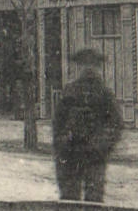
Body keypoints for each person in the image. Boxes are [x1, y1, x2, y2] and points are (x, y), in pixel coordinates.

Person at [52, 48, 122, 202]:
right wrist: (63, 143)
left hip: (95, 155)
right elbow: (58, 123)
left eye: (93, 64)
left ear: (98, 68)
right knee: (70, 200)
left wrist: (102, 144)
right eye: (84, 64)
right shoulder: (70, 92)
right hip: (71, 153)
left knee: (94, 200)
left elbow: (115, 124)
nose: (88, 68)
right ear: (78, 67)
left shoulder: (105, 95)